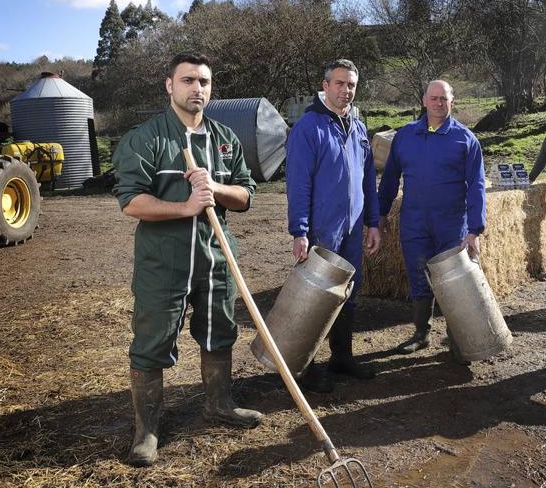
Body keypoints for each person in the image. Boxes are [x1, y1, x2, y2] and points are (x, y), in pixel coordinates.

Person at [112, 53, 262, 467]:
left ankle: (219, 404)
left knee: (219, 331)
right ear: (169, 85)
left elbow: (247, 195)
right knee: (151, 341)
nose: (198, 88)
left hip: (216, 257)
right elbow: (131, 202)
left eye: (205, 82)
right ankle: (147, 430)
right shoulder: (148, 138)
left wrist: (215, 187)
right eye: (188, 80)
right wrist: (186, 207)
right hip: (165, 262)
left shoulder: (224, 138)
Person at [286, 58, 381, 392]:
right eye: (339, 83)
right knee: (314, 294)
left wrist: (372, 222)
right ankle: (305, 367)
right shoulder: (308, 127)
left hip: (353, 227)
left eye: (351, 84)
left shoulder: (357, 126)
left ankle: (342, 357)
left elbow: (368, 178)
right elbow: (297, 183)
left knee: (347, 291)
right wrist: (299, 230)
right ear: (325, 85)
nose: (346, 90)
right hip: (320, 228)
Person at [377, 80, 486, 361]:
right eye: (434, 98)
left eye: (444, 99)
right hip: (415, 221)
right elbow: (390, 178)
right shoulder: (406, 136)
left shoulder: (465, 139)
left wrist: (475, 227)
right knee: (417, 275)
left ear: (453, 101)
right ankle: (421, 333)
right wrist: (380, 213)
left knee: (454, 281)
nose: (439, 103)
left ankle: (458, 337)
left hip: (452, 223)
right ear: (424, 100)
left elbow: (476, 185)